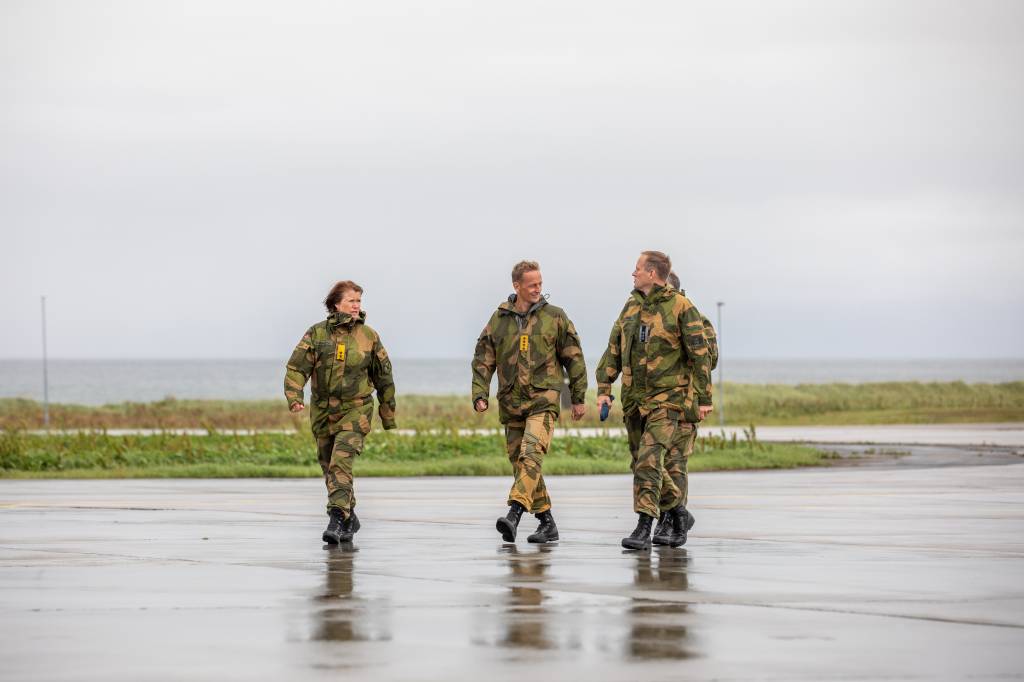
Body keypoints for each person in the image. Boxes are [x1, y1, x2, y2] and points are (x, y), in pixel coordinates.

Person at [596, 252, 713, 550]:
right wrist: (604, 387)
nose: (632, 273)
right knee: (642, 463)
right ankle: (678, 513)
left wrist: (703, 398)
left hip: (669, 400)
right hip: (635, 400)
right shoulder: (631, 306)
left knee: (658, 461)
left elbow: (702, 356)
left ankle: (645, 525)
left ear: (652, 273)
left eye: (637, 268)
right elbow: (614, 347)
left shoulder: (683, 308)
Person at [472, 260, 587, 544]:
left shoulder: (555, 317)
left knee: (531, 453)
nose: (538, 289)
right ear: (517, 286)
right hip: (511, 402)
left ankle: (514, 513)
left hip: (543, 400)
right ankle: (547, 522)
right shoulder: (499, 320)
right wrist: (480, 394)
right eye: (532, 284)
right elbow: (483, 359)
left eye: (540, 283)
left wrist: (578, 398)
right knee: (520, 463)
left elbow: (574, 358)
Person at [284, 280, 397, 544]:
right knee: (329, 467)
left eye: (359, 301)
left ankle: (335, 518)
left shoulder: (369, 336)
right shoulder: (316, 334)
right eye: (351, 301)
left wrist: (387, 415)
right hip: (322, 411)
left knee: (340, 463)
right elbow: (297, 368)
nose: (357, 306)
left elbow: (384, 378)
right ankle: (350, 517)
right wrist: (294, 397)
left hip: (356, 410)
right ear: (336, 304)